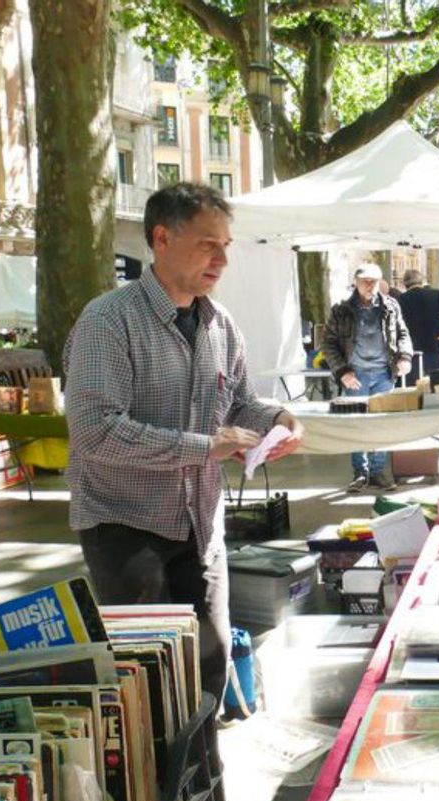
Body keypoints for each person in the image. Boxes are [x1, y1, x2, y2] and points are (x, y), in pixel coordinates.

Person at [64, 182, 305, 703]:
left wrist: (280, 417)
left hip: (202, 524)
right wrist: (204, 446)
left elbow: (239, 403)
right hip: (125, 525)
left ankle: (204, 777)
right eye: (206, 244)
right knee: (149, 684)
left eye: (226, 246)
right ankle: (159, 782)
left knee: (209, 668)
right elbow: (95, 431)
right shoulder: (108, 321)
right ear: (161, 238)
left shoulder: (221, 323)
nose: (221, 259)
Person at [322, 262, 413, 491]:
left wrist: (405, 357)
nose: (369, 285)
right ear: (356, 282)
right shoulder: (341, 309)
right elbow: (329, 343)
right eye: (365, 280)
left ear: (381, 282)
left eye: (373, 280)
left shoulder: (391, 306)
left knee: (381, 424)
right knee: (356, 425)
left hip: (384, 373)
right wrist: (342, 371)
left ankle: (378, 472)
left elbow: (403, 333)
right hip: (356, 375)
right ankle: (360, 473)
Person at [397, 268, 439, 385]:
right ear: (422, 281)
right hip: (435, 350)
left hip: (410, 354)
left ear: (404, 284)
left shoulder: (400, 300)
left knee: (411, 393)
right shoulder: (437, 295)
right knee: (438, 390)